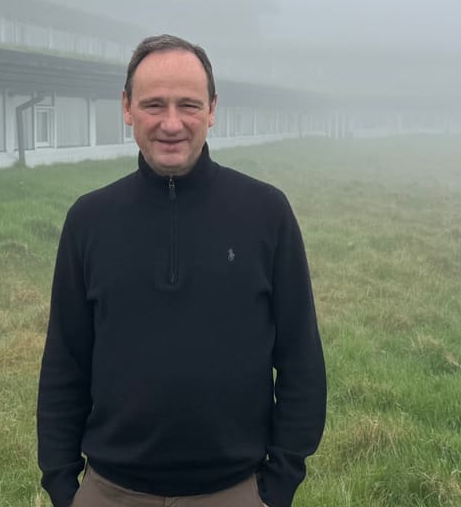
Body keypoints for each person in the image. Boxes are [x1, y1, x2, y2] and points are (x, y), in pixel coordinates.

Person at [37, 34, 326, 507]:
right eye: (154, 105)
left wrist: (279, 483)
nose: (172, 123)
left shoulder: (266, 213)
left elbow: (301, 359)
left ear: (213, 109)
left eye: (188, 105)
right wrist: (63, 485)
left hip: (235, 491)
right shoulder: (89, 220)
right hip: (108, 491)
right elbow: (65, 362)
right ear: (127, 107)